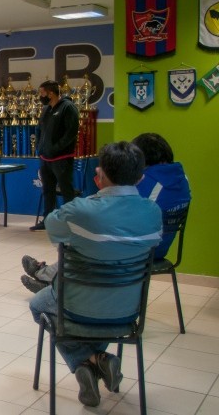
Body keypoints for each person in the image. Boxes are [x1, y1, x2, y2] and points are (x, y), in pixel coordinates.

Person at [26, 142, 161, 408]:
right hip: (128, 311)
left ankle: (87, 361)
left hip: (77, 309)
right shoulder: (153, 212)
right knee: (94, 311)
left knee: (37, 304)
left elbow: (54, 230)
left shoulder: (80, 210)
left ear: (100, 174)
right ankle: (99, 359)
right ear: (141, 177)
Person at [22, 132, 191, 292]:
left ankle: (52, 282)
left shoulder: (149, 180)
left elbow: (117, 209)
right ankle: (50, 278)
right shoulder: (181, 177)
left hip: (140, 250)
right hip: (162, 246)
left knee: (84, 239)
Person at [30, 80, 80, 231]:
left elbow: (71, 133)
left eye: (42, 93)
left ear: (50, 93)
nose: (40, 96)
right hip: (45, 158)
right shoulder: (46, 109)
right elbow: (40, 129)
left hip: (62, 158)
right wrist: (40, 146)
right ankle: (47, 221)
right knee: (47, 190)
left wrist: (56, 148)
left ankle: (69, 222)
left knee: (66, 191)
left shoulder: (68, 107)